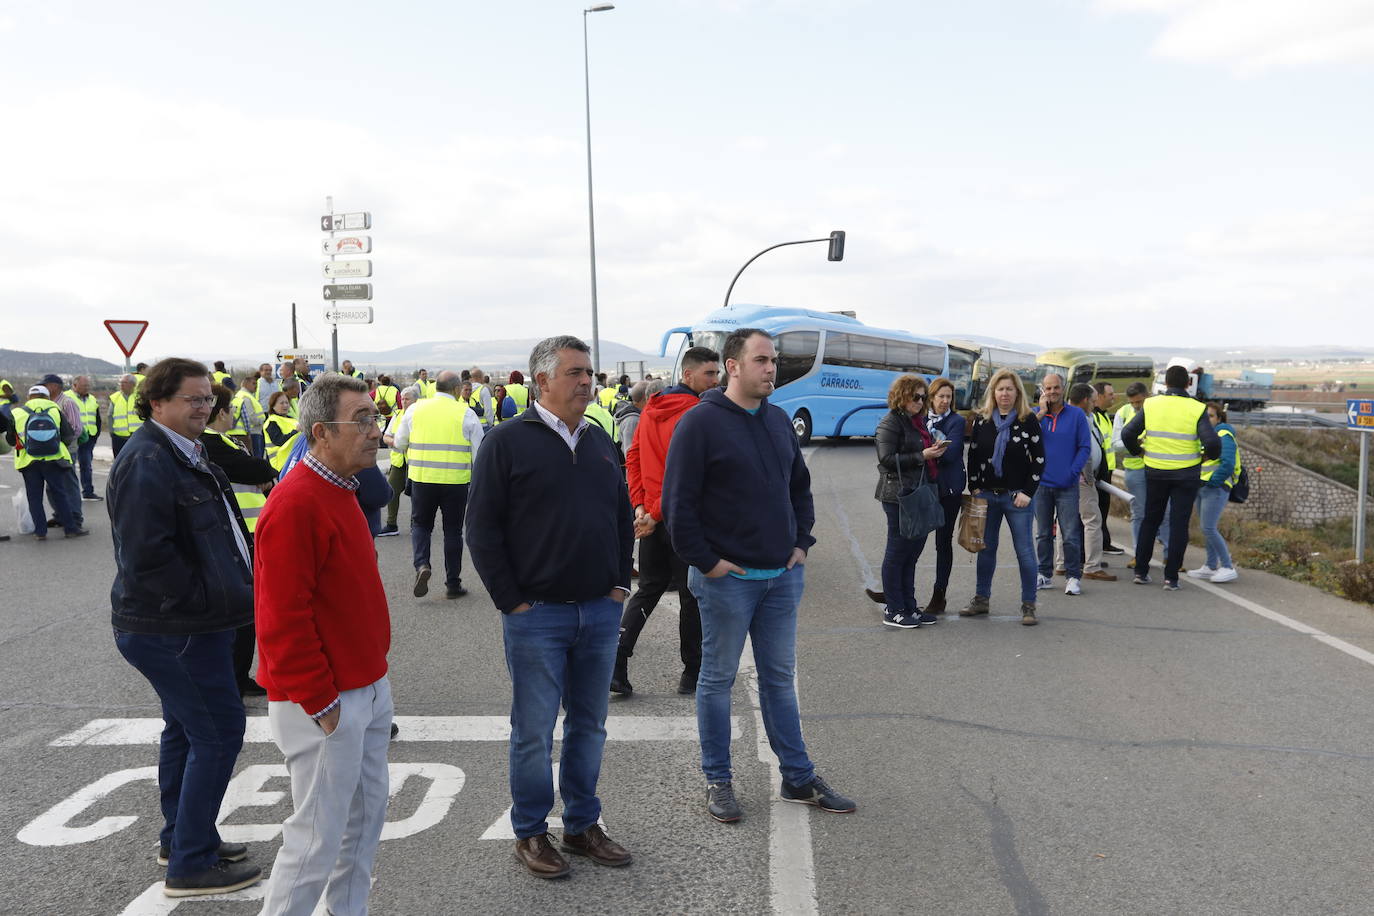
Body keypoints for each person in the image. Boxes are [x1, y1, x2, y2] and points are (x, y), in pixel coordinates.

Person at [663, 327, 855, 824]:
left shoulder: (777, 421)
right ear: (733, 365)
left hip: (781, 576)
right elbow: (677, 505)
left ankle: (797, 775)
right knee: (717, 680)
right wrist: (708, 562)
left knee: (778, 680)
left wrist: (801, 543)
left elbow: (799, 489)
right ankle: (718, 779)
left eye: (774, 361)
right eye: (762, 360)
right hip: (727, 579)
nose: (772, 369)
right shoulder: (699, 424)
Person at [465, 335, 635, 879]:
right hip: (536, 614)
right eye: (575, 373)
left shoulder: (600, 437)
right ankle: (532, 831)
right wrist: (511, 601)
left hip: (599, 609)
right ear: (542, 381)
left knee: (590, 724)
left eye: (589, 372)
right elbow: (481, 528)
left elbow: (620, 514)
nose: (588, 381)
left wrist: (617, 584)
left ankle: (582, 824)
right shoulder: (505, 442)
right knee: (534, 731)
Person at [107, 358, 260, 897]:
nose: (204, 408)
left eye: (207, 399)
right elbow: (147, 556)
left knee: (185, 730)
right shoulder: (148, 459)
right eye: (192, 399)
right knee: (219, 733)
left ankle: (182, 837)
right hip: (177, 627)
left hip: (194, 623)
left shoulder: (185, 451)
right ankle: (191, 863)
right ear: (158, 402)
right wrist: (202, 603)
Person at [254, 373, 393, 915]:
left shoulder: (342, 490)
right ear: (320, 432)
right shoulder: (296, 504)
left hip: (366, 685)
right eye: (360, 421)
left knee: (361, 830)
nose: (374, 431)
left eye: (375, 418)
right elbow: (281, 619)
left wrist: (375, 685)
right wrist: (323, 703)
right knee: (314, 842)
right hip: (326, 701)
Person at [613, 347, 720, 696]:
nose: (716, 380)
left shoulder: (651, 409)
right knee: (691, 596)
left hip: (653, 519)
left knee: (648, 589)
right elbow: (685, 476)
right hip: (680, 519)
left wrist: (641, 508)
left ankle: (618, 659)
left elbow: (635, 459)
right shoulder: (697, 413)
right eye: (709, 374)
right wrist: (652, 513)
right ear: (688, 376)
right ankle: (692, 672)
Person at [201, 385, 277, 697]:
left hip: (251, 530)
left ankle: (237, 674)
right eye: (230, 409)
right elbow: (254, 467)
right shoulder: (210, 442)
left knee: (249, 610)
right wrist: (263, 471)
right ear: (222, 412)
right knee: (246, 611)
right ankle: (236, 676)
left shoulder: (222, 441)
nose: (233, 414)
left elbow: (253, 469)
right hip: (242, 533)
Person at [1121, 364, 1222, 590]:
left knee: (1150, 520)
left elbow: (1127, 433)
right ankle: (1171, 578)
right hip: (1187, 474)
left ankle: (1141, 571)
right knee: (1178, 524)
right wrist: (1206, 458)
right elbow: (1213, 442)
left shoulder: (1151, 404)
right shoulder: (1197, 408)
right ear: (1188, 384)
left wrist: (1138, 451)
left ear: (1165, 383)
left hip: (1155, 471)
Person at [961, 368, 1045, 625]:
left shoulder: (1028, 420)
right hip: (987, 496)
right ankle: (981, 599)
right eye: (1000, 389)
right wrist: (974, 487)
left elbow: (1039, 460)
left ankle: (1029, 605)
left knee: (1025, 552)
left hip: (1017, 498)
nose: (1005, 393)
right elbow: (973, 455)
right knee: (986, 550)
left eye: (1009, 389)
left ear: (1017, 392)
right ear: (993, 393)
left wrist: (1028, 493)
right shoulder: (981, 420)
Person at [392, 370, 484, 599]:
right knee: (453, 531)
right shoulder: (466, 413)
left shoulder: (415, 409)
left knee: (421, 526)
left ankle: (422, 564)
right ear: (455, 389)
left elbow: (400, 443)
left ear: (436, 388)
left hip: (423, 479)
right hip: (456, 482)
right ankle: (453, 583)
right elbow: (480, 452)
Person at [872, 374, 950, 628]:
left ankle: (908, 606)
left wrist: (933, 451)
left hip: (917, 492)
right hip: (897, 496)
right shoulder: (891, 422)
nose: (919, 401)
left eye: (923, 397)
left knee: (912, 552)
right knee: (898, 552)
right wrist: (922, 455)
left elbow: (919, 454)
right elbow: (885, 459)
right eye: (915, 396)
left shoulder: (917, 422)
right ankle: (893, 609)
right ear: (902, 396)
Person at [1030, 373, 1090, 597]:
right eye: (1048, 388)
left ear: (1063, 389)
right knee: (1043, 534)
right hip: (1041, 485)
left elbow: (1084, 447)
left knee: (1071, 534)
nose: (1052, 392)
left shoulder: (1076, 415)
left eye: (1056, 387)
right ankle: (1044, 574)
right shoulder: (1037, 415)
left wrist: (1072, 472)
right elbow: (1025, 437)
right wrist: (1041, 413)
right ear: (1043, 391)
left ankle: (1073, 576)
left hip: (1067, 485)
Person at [1061, 384, 1116, 582]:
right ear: (1085, 400)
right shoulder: (1078, 418)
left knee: (1066, 521)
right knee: (1092, 521)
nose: (1095, 404)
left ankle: (1062, 563)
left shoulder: (1070, 415)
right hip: (1082, 478)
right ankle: (1092, 566)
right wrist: (1089, 478)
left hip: (1072, 477)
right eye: (1093, 401)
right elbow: (1083, 451)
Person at [12, 385, 84, 539]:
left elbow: (11, 440)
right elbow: (68, 435)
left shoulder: (17, 413)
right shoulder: (55, 410)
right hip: (54, 459)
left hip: (28, 460)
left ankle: (40, 532)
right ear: (47, 397)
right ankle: (70, 529)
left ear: (29, 397)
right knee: (60, 494)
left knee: (34, 497)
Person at [1112, 381, 1166, 566]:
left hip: (1159, 467)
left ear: (1148, 396)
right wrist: (1137, 445)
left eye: (1140, 402)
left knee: (1165, 510)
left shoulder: (1159, 410)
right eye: (1133, 403)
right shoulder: (1123, 412)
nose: (1136, 406)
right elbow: (1116, 444)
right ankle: (1138, 554)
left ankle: (1169, 554)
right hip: (1135, 469)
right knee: (1139, 513)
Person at [925, 376, 967, 615]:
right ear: (932, 397)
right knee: (912, 540)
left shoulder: (956, 421)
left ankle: (938, 596)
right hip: (924, 489)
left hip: (948, 490)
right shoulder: (921, 419)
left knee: (943, 543)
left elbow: (950, 454)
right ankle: (897, 590)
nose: (945, 401)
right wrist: (933, 448)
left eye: (949, 397)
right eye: (941, 396)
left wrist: (926, 449)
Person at [1189, 402, 1240, 584]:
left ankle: (1227, 566)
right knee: (1206, 527)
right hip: (1204, 486)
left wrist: (1212, 482)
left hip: (1215, 488)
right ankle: (1210, 566)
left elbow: (1227, 463)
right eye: (1205, 416)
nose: (1207, 419)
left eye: (1210, 416)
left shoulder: (1223, 434)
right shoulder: (1204, 436)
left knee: (1208, 528)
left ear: (1219, 418)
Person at [41, 373, 85, 531]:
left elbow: (76, 428)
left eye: (45, 385)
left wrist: (60, 442)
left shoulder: (67, 402)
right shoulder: (46, 402)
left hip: (66, 450)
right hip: (50, 450)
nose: (43, 388)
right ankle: (60, 515)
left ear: (54, 386)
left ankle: (75, 518)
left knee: (68, 483)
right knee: (51, 485)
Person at [1092, 382, 1124, 556]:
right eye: (1110, 394)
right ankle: (1100, 544)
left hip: (1107, 470)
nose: (1114, 397)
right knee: (1097, 510)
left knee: (1103, 509)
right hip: (1098, 472)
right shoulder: (1094, 417)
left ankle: (1103, 542)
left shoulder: (1104, 416)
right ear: (1100, 396)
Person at [70, 374, 103, 501]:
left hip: (88, 437)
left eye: (88, 385)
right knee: (70, 466)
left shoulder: (92, 399)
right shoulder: (68, 397)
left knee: (86, 465)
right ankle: (71, 493)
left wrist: (95, 435)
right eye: (84, 385)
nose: (87, 388)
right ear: (75, 385)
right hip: (72, 438)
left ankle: (88, 491)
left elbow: (97, 418)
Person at [110, 373, 142, 458]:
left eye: (124, 383)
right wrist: (112, 432)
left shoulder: (140, 397)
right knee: (119, 461)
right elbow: (110, 415)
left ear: (133, 384)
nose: (121, 385)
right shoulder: (115, 397)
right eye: (120, 383)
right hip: (119, 437)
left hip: (138, 435)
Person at [263, 392, 299, 465]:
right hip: (280, 463)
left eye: (287, 402)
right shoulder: (272, 422)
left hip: (294, 460)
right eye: (281, 403)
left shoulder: (293, 420)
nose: (285, 405)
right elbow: (279, 441)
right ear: (273, 406)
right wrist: (295, 431)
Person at [238, 375, 267, 457]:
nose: (256, 386)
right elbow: (251, 417)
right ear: (246, 384)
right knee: (257, 457)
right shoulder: (245, 397)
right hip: (253, 431)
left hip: (252, 431)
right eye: (253, 384)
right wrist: (262, 420)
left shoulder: (244, 395)